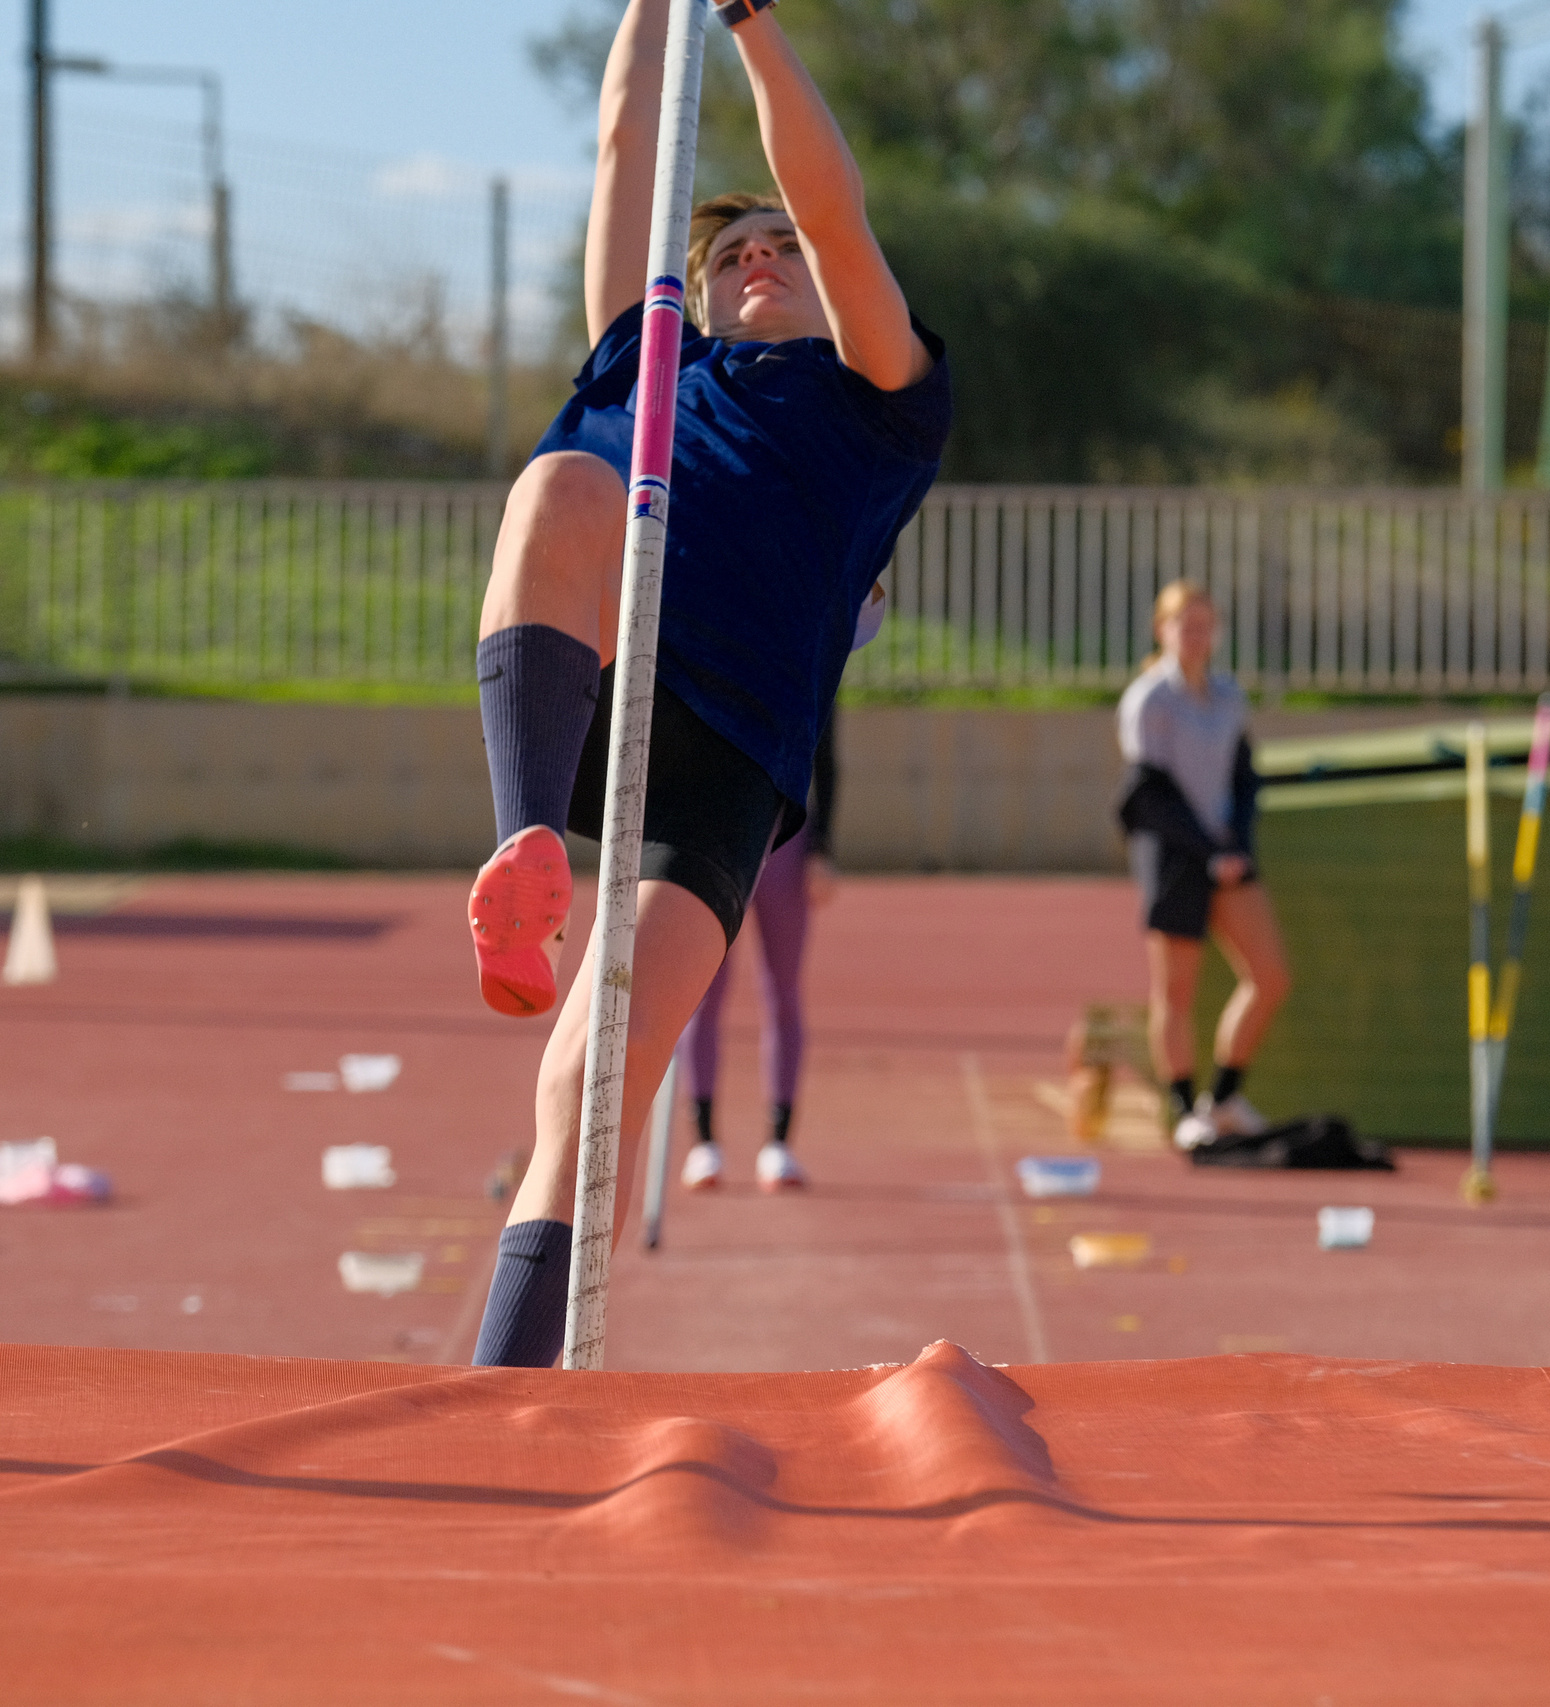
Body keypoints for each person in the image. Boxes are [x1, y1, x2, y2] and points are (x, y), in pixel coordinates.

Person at [462, 0, 951, 1368]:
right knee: (560, 481)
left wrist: (741, 21)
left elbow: (834, 207)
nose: (759, 260)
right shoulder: (647, 355)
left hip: (730, 759)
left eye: (777, 250)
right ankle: (522, 836)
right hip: (601, 680)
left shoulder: (878, 398)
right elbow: (627, 136)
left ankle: (512, 1395)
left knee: (593, 1087)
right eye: (732, 250)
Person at [1115, 582, 1292, 1151]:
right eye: (1183, 625)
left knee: (1270, 977)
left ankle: (1226, 1096)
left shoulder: (1228, 695)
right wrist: (1208, 852)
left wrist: (1235, 844)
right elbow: (1149, 793)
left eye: (1204, 625)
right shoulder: (1148, 700)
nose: (1195, 636)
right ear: (1160, 629)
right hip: (1174, 856)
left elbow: (1243, 775)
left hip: (1226, 857)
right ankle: (1184, 1107)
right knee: (1177, 993)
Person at [677, 711, 842, 1193]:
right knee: (703, 992)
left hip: (785, 845)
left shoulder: (809, 644)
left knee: (784, 994)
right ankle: (704, 1144)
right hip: (717, 839)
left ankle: (778, 1147)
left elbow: (827, 757)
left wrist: (824, 848)